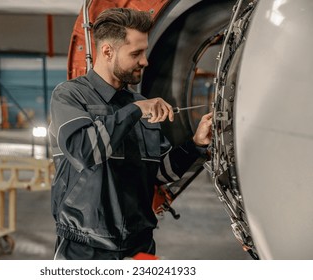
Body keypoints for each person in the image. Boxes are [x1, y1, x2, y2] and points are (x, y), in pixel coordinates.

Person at [48, 7, 212, 260]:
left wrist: (195, 145)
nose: (145, 61)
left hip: (139, 247)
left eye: (144, 52)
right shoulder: (71, 96)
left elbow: (160, 172)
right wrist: (134, 111)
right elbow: (85, 151)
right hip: (86, 250)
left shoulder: (139, 103)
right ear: (107, 51)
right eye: (136, 53)